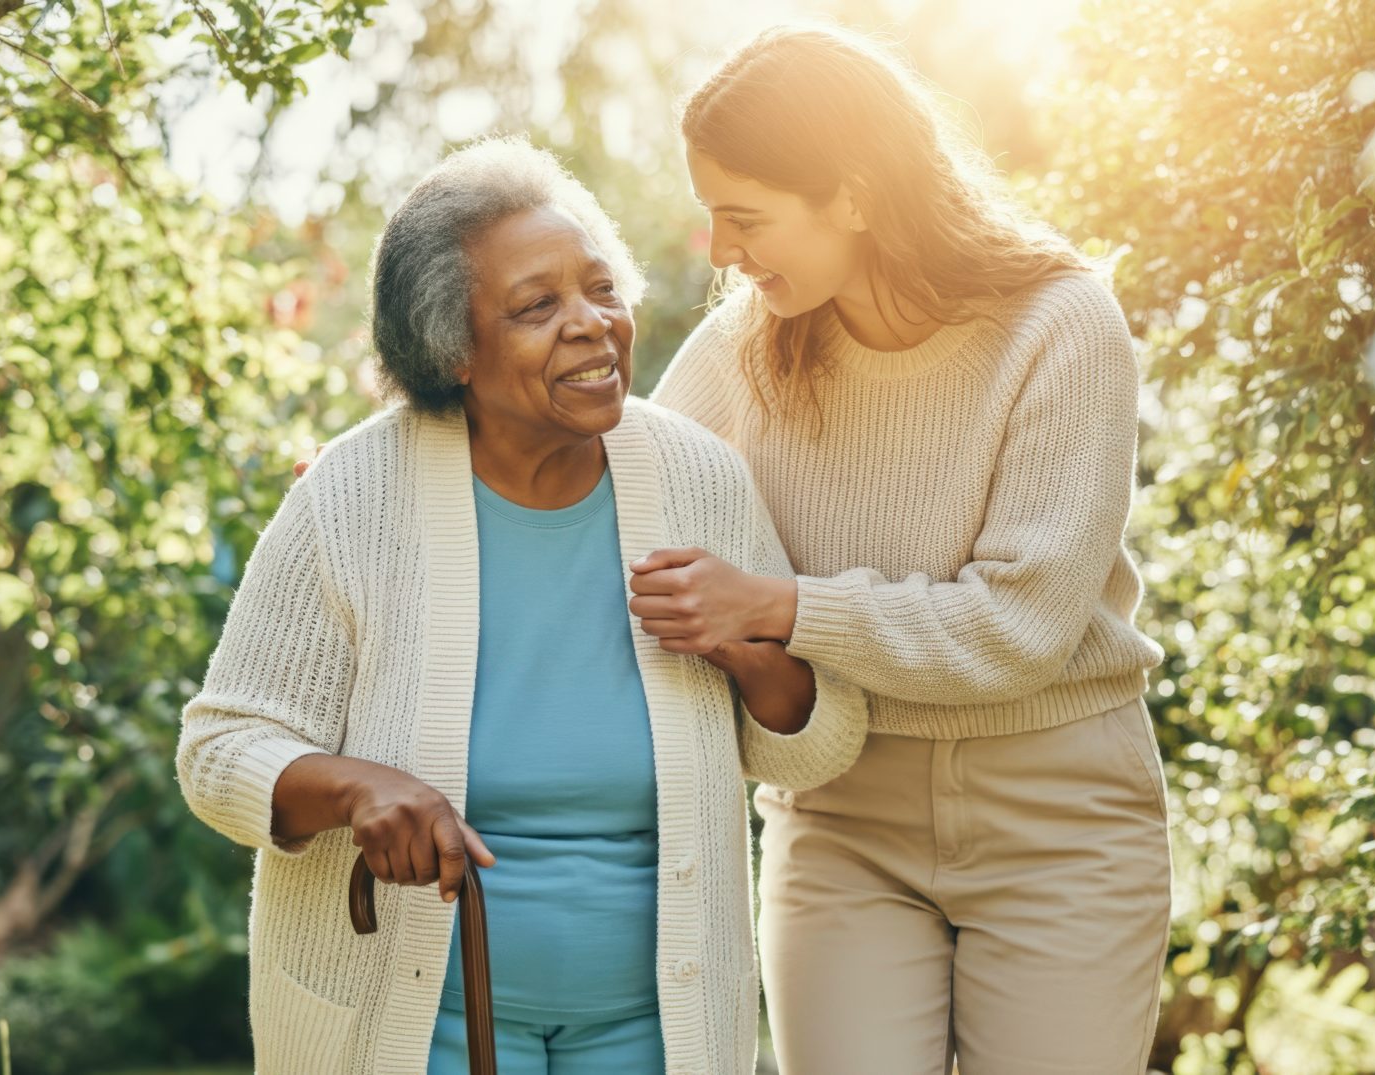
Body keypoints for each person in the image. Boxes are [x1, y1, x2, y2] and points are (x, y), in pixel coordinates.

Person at [177, 136, 867, 1075]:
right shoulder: (354, 493)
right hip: (414, 1019)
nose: (590, 323)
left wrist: (745, 645)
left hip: (655, 1024)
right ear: (452, 349)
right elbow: (220, 750)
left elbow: (819, 741)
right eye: (537, 306)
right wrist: (356, 785)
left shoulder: (697, 478)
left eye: (600, 290)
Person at [630, 24, 1172, 1075]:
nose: (719, 253)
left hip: (1060, 824)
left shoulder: (1062, 326)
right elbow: (619, 482)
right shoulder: (754, 338)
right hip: (842, 818)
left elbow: (1019, 628)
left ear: (858, 194)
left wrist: (780, 605)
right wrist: (404, 466)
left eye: (744, 218)